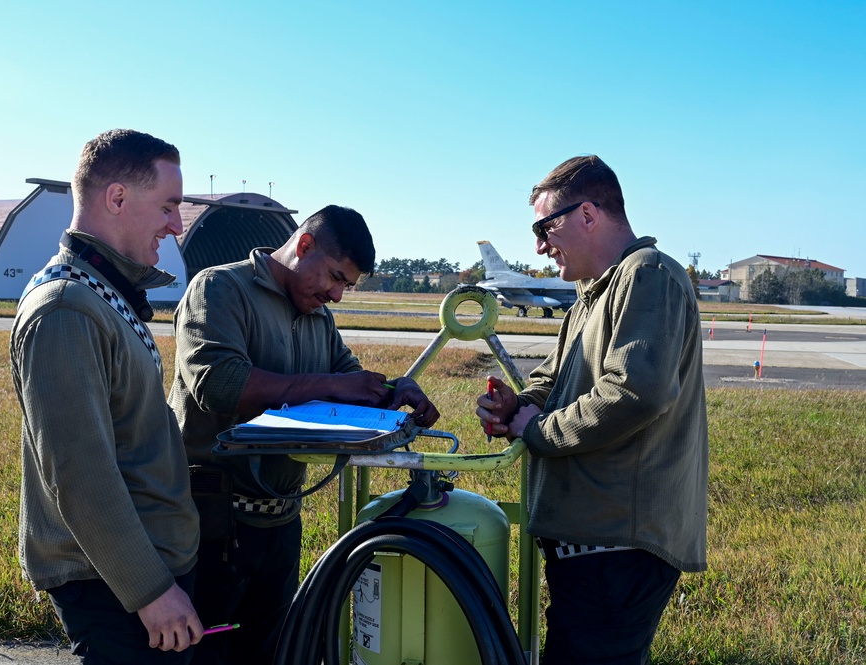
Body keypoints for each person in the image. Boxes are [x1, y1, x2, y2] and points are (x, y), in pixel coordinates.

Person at [168, 204, 440, 665]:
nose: (335, 294)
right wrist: (332, 385)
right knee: (203, 650)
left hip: (280, 520)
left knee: (267, 648)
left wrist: (394, 391)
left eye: (346, 286)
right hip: (211, 522)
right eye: (334, 277)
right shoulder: (220, 288)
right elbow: (219, 384)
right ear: (304, 245)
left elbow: (350, 379)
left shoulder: (318, 316)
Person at [477, 155, 708, 664]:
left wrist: (537, 430)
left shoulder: (647, 275)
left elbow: (635, 393)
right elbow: (554, 379)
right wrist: (519, 402)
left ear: (588, 214)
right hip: (594, 543)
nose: (539, 244)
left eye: (545, 225)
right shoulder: (593, 292)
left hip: (616, 548)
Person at [10, 129, 203, 663]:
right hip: (115, 585)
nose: (176, 224)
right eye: (168, 206)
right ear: (117, 198)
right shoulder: (67, 307)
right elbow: (79, 473)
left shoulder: (104, 294)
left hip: (142, 568)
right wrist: (151, 593)